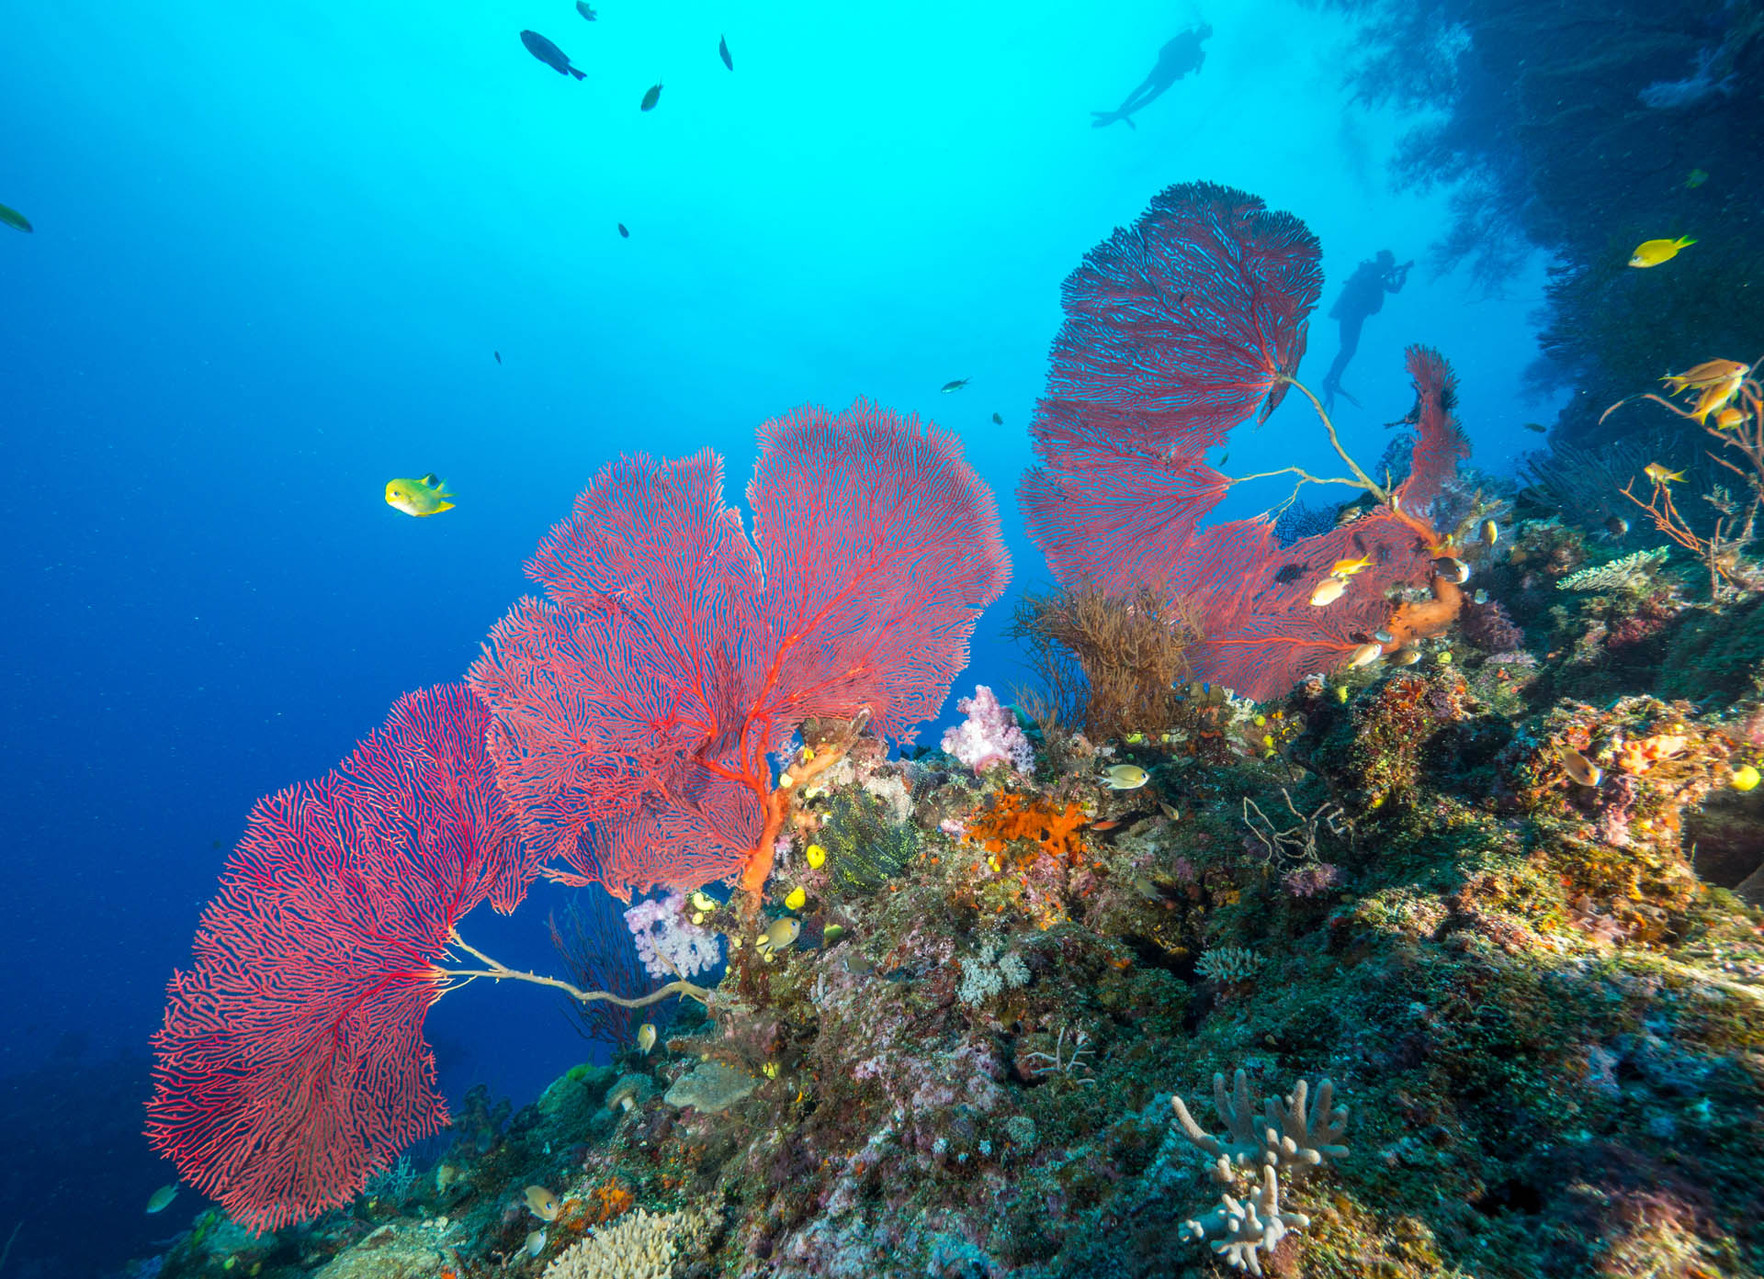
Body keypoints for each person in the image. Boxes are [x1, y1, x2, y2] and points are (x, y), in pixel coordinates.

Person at [1320, 250, 1412, 410]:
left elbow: (1394, 289)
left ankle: (1332, 379)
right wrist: (1396, 273)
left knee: (1348, 349)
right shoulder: (1372, 272)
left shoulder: (1377, 274)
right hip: (1351, 314)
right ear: (1383, 261)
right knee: (1348, 349)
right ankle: (1330, 379)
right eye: (1389, 262)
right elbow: (1375, 287)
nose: (1390, 265)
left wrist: (1402, 272)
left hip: (1355, 316)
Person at [1091, 24, 1212, 130]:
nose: (1202, 36)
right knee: (1145, 92)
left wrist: (1197, 63)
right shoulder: (1188, 39)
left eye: (1204, 34)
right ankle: (1119, 114)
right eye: (1203, 33)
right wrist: (1178, 66)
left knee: (1146, 94)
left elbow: (1188, 68)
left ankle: (1118, 114)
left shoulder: (1196, 51)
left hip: (1167, 74)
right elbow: (1164, 50)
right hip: (1164, 71)